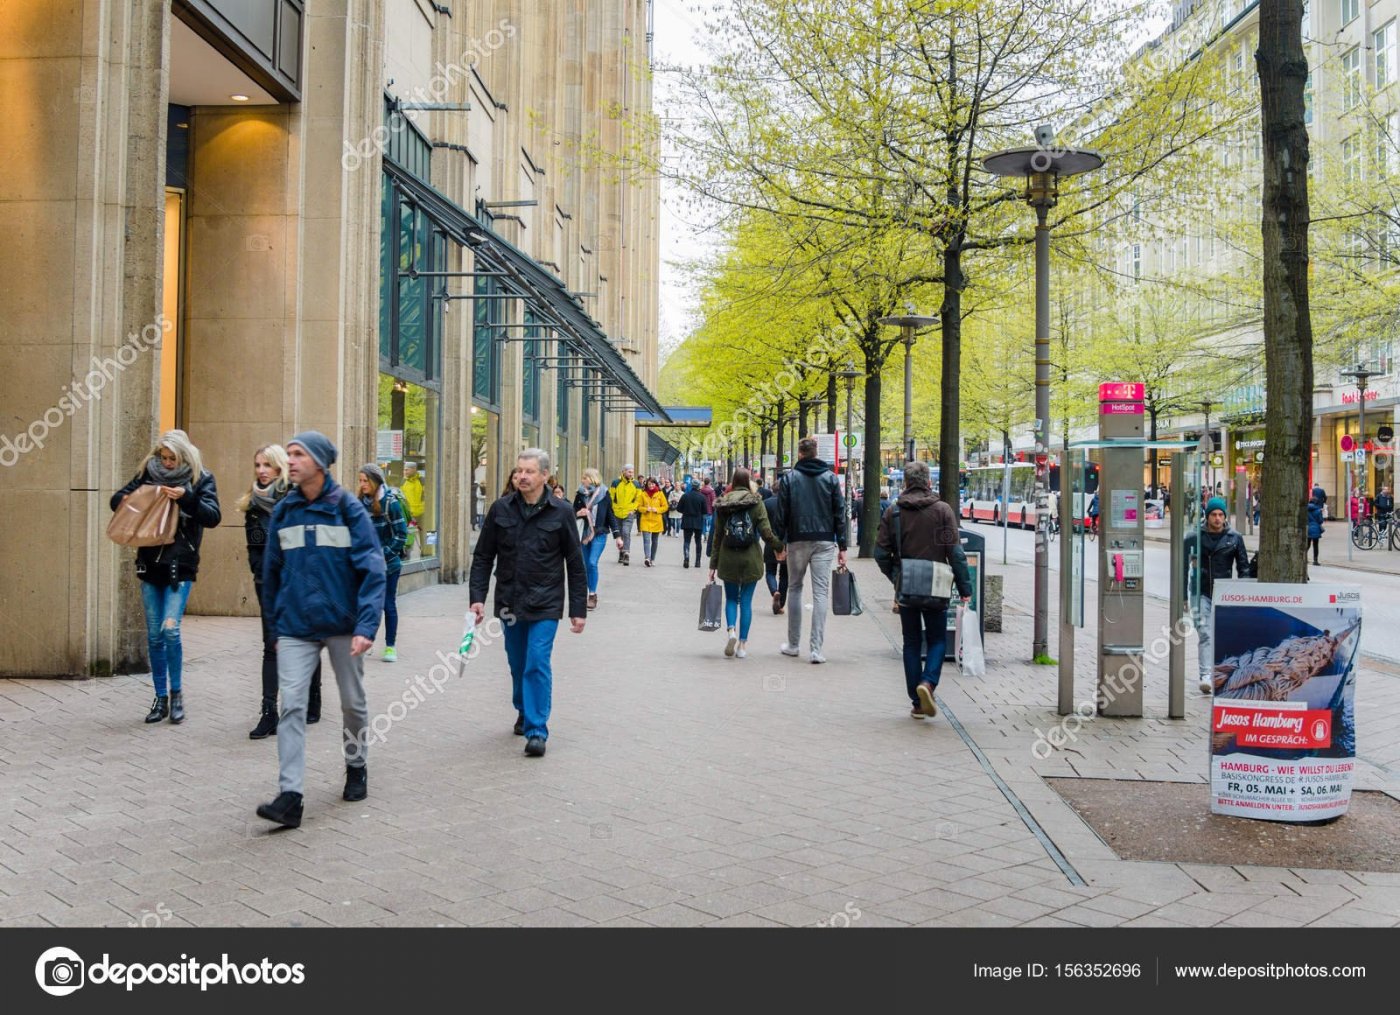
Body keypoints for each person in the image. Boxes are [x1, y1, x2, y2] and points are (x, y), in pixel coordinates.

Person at [255, 431, 386, 828]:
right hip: (296, 625)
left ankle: (356, 763)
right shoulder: (285, 510)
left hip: (344, 624)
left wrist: (366, 626)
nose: (290, 461)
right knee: (291, 705)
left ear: (320, 462)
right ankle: (290, 796)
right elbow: (271, 572)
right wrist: (274, 626)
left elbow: (373, 569)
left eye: (298, 455)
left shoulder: (347, 508)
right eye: (289, 454)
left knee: (352, 703)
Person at [471, 449, 587, 757]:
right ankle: (523, 708)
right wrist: (477, 599)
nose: (522, 476)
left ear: (544, 476)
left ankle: (537, 729)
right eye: (519, 471)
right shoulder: (500, 510)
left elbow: (575, 563)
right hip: (510, 601)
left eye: (529, 471)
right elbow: (483, 556)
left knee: (537, 661)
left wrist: (578, 609)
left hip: (546, 603)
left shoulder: (561, 512)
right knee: (517, 662)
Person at [111, 430, 221, 725]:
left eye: (174, 458)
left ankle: (177, 695)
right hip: (150, 563)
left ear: (185, 456)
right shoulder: (149, 474)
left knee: (170, 630)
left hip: (180, 566)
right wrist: (142, 495)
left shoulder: (200, 478)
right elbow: (116, 501)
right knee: (155, 635)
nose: (168, 463)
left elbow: (212, 517)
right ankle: (159, 699)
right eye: (164, 457)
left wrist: (187, 498)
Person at [874, 460, 973, 720]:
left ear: (905, 483)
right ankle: (928, 683)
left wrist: (896, 577)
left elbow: (880, 553)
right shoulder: (942, 510)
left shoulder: (894, 512)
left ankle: (917, 702)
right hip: (938, 583)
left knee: (911, 642)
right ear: (929, 482)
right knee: (938, 639)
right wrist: (965, 587)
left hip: (907, 584)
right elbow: (955, 552)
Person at [239, 444, 321, 739]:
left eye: (267, 465)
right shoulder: (252, 504)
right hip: (267, 584)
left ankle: (313, 697)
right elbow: (254, 549)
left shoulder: (298, 500)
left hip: (299, 582)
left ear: (279, 468)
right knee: (270, 644)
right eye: (257, 465)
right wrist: (261, 576)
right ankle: (269, 712)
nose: (261, 471)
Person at [775, 436, 847, 663]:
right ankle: (816, 650)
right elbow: (840, 512)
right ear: (816, 453)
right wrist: (842, 545)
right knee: (820, 593)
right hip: (825, 541)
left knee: (795, 588)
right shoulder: (831, 479)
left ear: (800, 454)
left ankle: (793, 645)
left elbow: (781, 514)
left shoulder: (789, 479)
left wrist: (780, 543)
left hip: (797, 539)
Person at [708, 467, 784, 659]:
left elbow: (717, 536)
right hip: (750, 558)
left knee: (732, 598)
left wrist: (713, 565)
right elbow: (766, 532)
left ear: (732, 482)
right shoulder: (756, 503)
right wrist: (779, 547)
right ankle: (742, 646)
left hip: (728, 557)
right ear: (749, 481)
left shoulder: (723, 504)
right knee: (747, 602)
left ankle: (731, 631)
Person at [1184, 497, 1251, 696]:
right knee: (1205, 632)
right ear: (1207, 516)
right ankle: (1205, 675)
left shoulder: (1234, 538)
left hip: (1225, 593)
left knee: (1223, 634)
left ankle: (1222, 674)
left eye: (1221, 514)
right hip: (1201, 591)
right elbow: (1182, 567)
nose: (1218, 518)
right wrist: (1183, 597)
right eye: (1214, 514)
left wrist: (1244, 594)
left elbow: (1243, 567)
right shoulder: (1194, 537)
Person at [359, 464, 408, 662]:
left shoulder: (390, 503)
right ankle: (365, 642)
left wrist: (382, 555)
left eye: (365, 481)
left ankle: (390, 646)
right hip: (367, 565)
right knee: (367, 605)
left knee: (388, 605)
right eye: (360, 480)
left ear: (375, 481)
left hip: (389, 565)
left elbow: (401, 535)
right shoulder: (359, 503)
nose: (362, 485)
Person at [574, 468, 625, 609]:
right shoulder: (579, 494)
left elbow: (610, 515)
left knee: (591, 563)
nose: (582, 480)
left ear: (592, 479)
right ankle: (585, 594)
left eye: (584, 477)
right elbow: (572, 513)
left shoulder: (604, 494)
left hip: (599, 533)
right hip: (584, 534)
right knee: (584, 565)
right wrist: (579, 512)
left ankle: (592, 594)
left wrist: (618, 536)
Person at [763, 485, 789, 614]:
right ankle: (781, 604)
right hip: (786, 542)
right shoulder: (789, 503)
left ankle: (774, 591)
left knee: (770, 571)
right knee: (784, 574)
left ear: (772, 490)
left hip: (771, 541)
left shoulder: (766, 503)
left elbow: (762, 524)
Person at [609, 464, 640, 564]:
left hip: (629, 513)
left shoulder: (636, 484)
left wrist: (634, 509)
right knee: (620, 534)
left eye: (632, 472)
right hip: (617, 513)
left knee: (626, 532)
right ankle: (621, 553)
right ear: (623, 472)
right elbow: (610, 497)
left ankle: (626, 553)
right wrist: (612, 508)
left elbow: (638, 499)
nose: (631, 474)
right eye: (629, 472)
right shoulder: (615, 483)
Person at [636, 476, 668, 566]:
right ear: (647, 484)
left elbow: (665, 506)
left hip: (656, 521)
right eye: (649, 484)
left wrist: (657, 509)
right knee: (646, 540)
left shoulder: (660, 494)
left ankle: (652, 559)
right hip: (645, 520)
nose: (651, 486)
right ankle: (647, 558)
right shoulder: (643, 494)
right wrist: (645, 509)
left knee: (655, 541)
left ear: (655, 484)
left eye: (653, 484)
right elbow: (638, 507)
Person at [678, 480, 709, 568]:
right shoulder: (702, 497)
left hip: (687, 521)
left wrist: (685, 511)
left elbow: (679, 509)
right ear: (698, 486)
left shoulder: (685, 496)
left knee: (687, 541)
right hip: (698, 521)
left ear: (691, 486)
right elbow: (705, 511)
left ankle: (686, 558)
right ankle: (698, 561)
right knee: (698, 541)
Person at [400, 461, 426, 560]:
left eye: (407, 469)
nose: (405, 471)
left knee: (424, 534)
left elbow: (427, 495)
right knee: (409, 534)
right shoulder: (403, 481)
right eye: (404, 469)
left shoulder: (422, 480)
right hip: (409, 514)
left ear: (414, 469)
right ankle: (407, 553)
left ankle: (425, 551)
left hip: (422, 513)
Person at [1307, 492, 1325, 566]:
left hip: (1308, 528)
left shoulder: (1306, 509)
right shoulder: (1318, 510)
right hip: (1316, 529)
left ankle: (1304, 558)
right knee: (1315, 545)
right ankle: (1315, 560)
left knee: (1307, 545)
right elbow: (1320, 521)